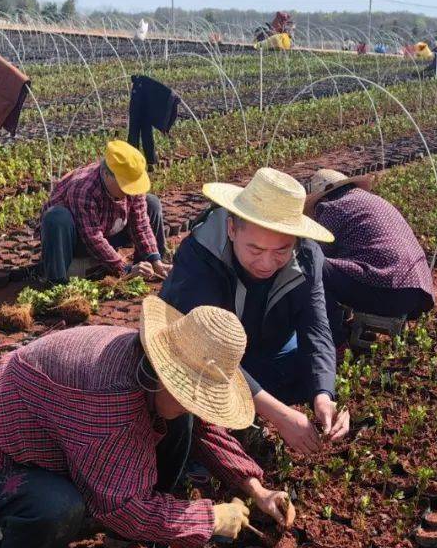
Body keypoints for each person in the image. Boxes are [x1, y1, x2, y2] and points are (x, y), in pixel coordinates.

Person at [0, 299, 294, 548]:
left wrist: (255, 488)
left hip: (51, 441)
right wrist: (209, 518)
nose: (194, 405)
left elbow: (203, 427)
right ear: (161, 370)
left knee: (180, 422)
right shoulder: (110, 404)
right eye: (189, 396)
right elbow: (120, 505)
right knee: (60, 508)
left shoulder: (152, 368)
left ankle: (128, 517)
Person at [159, 167, 349, 456]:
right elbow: (205, 349)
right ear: (232, 229)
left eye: (281, 251)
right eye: (255, 250)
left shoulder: (307, 256)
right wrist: (278, 414)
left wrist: (323, 394)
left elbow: (316, 328)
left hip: (267, 353)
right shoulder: (200, 257)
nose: (267, 263)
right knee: (184, 401)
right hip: (201, 359)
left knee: (316, 371)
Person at [304, 169, 434, 345]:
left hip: (388, 292)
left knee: (311, 265)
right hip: (417, 294)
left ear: (323, 197)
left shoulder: (331, 207)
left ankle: (334, 341)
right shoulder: (372, 200)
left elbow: (319, 252)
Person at [39, 140, 169, 284]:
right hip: (76, 242)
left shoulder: (131, 181)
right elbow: (93, 238)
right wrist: (124, 269)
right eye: (124, 185)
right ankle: (57, 281)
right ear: (107, 174)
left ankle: (146, 269)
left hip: (108, 230)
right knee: (57, 217)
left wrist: (154, 259)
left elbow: (141, 224)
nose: (129, 191)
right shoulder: (83, 188)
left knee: (152, 203)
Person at [128, 74, 180, 170]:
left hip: (143, 107)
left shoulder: (145, 86)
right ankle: (138, 161)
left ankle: (147, 161)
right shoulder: (144, 86)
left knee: (142, 133)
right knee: (137, 134)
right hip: (141, 107)